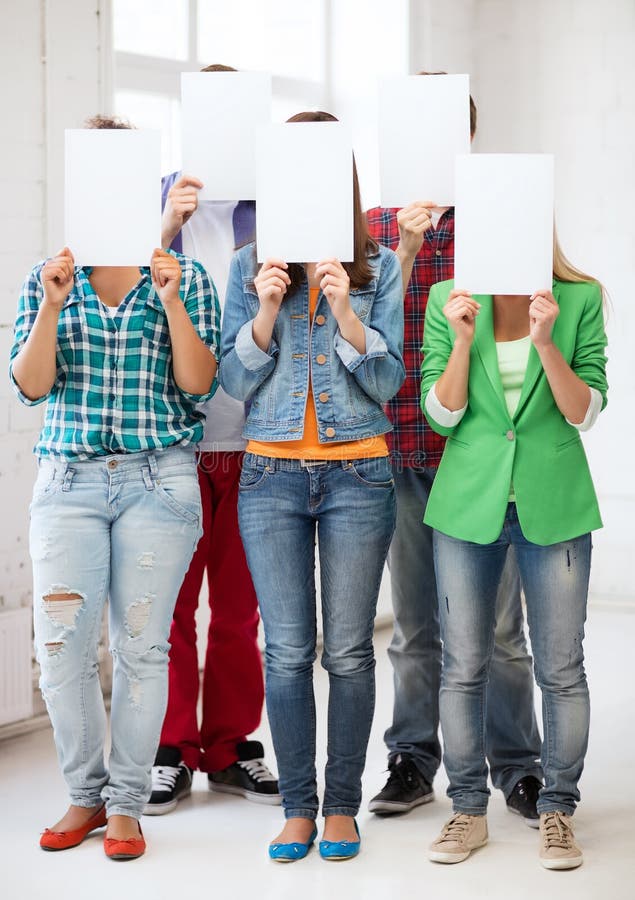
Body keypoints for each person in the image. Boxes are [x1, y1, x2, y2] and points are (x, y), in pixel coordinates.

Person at [10, 132, 220, 858]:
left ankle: (126, 803)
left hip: (157, 482)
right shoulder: (49, 279)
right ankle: (83, 795)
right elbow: (32, 385)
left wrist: (169, 303)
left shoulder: (183, 278)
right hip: (67, 481)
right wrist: (49, 305)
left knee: (142, 648)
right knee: (62, 650)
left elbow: (198, 384)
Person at [219, 111, 404, 862]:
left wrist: (344, 313)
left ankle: (340, 807)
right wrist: (266, 310)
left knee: (349, 652)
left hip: (358, 473)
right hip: (268, 476)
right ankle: (297, 807)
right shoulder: (244, 267)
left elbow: (389, 383)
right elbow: (233, 383)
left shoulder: (378, 267)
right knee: (287, 651)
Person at [366, 74, 543, 824]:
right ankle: (411, 759)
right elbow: (368, 337)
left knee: (501, 630)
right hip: (403, 445)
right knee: (414, 625)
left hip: (479, 457)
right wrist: (402, 247)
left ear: (463, 140)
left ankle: (518, 765)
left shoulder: (498, 220)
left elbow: (525, 331)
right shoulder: (371, 226)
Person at [421, 238, 607, 869]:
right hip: (467, 504)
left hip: (552, 506)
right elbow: (441, 414)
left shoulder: (578, 299)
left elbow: (582, 412)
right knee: (463, 663)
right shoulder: (451, 300)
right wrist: (465, 339)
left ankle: (557, 809)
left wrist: (546, 343)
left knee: (560, 668)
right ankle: (467, 809)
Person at [145, 63, 280, 815]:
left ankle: (229, 747)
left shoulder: (280, 207)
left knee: (238, 612)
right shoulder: (158, 196)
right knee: (167, 606)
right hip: (173, 444)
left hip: (254, 440)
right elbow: (121, 303)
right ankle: (169, 747)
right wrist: (160, 228)